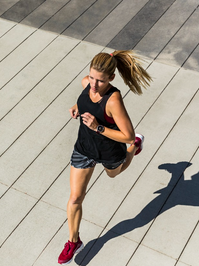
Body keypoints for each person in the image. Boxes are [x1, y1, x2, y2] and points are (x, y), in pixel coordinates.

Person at [58, 50, 152, 265]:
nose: (93, 84)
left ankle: (136, 147)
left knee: (114, 174)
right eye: (91, 77)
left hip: (110, 150)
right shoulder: (86, 83)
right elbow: (84, 99)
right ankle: (74, 241)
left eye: (100, 81)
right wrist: (76, 107)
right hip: (84, 148)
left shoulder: (113, 100)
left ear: (111, 78)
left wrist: (98, 127)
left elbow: (126, 134)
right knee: (75, 198)